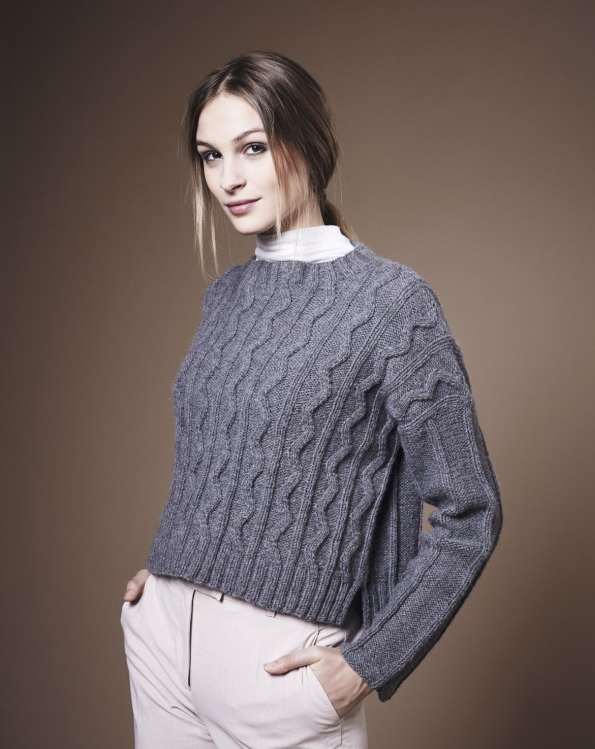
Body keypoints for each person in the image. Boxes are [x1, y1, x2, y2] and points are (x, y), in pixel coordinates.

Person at [119, 50, 503, 749]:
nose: (228, 178)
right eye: (210, 156)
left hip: (277, 668)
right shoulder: (225, 296)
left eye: (252, 148)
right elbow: (225, 460)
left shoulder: (393, 305)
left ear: (308, 142)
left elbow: (470, 510)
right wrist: (175, 567)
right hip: (164, 639)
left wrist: (366, 664)